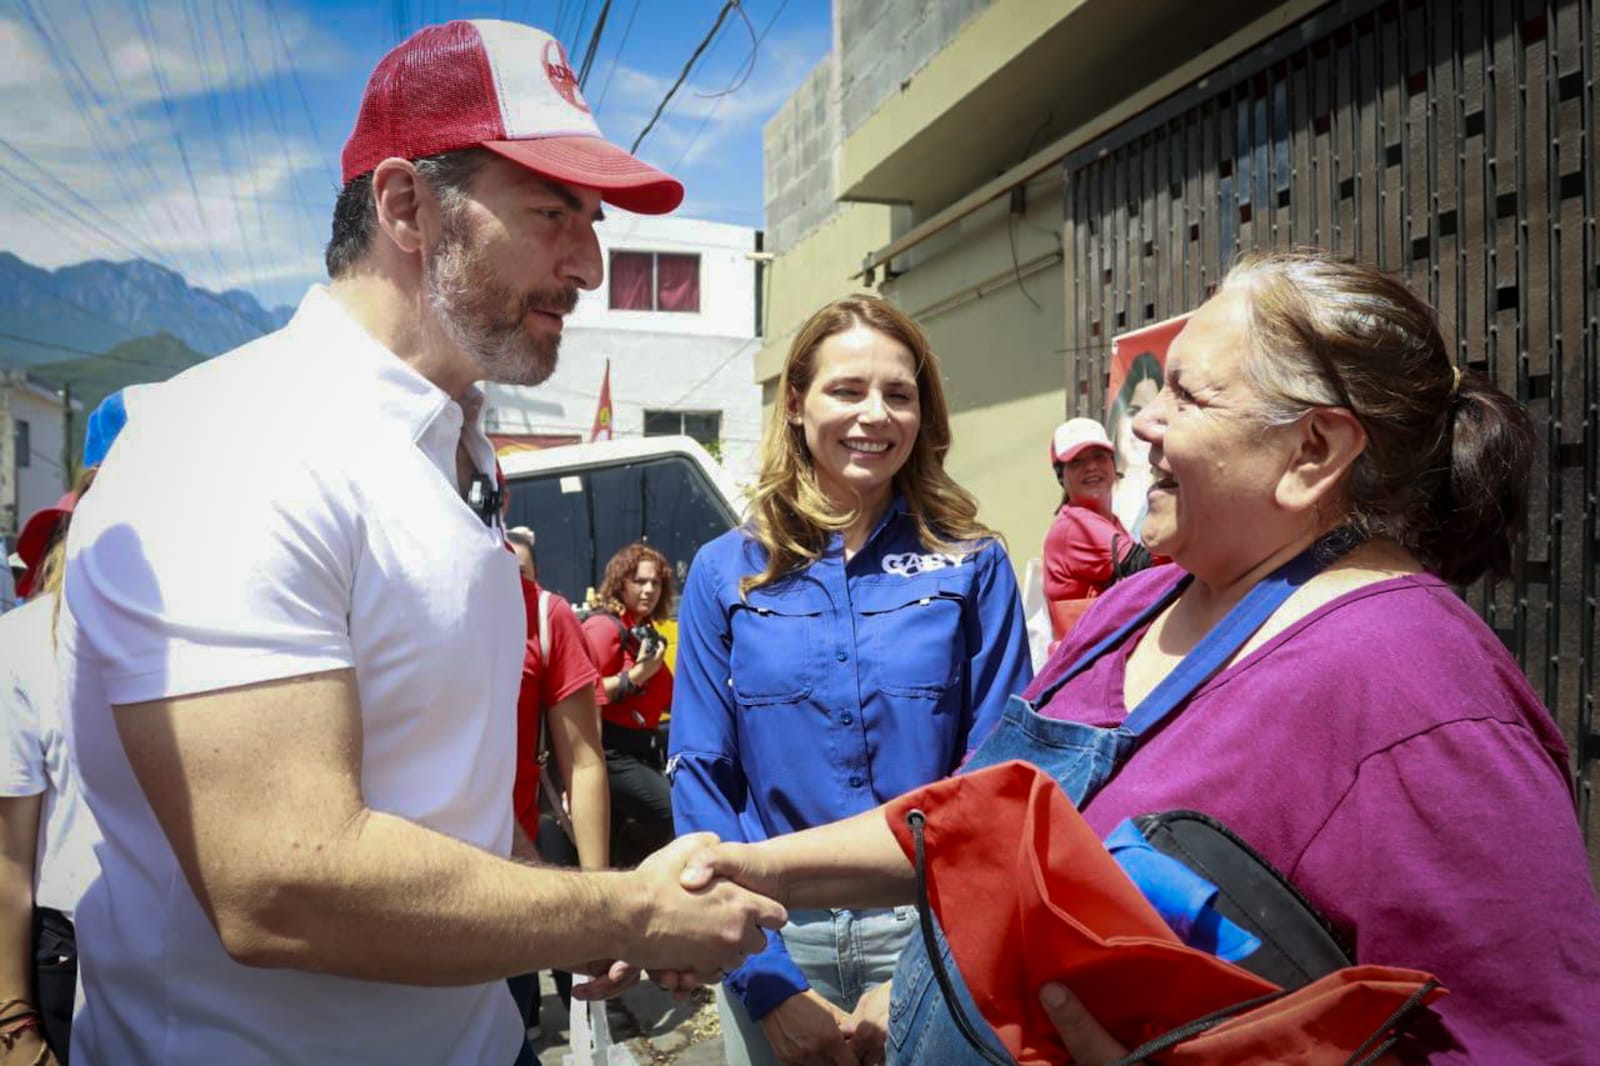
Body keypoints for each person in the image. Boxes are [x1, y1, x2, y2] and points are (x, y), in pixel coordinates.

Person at [57, 20, 784, 1066]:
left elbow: (441, 804)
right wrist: (621, 908)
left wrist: (572, 909)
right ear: (404, 204)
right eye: (552, 213)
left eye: (591, 219)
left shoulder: (448, 454)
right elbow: (281, 883)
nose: (587, 261)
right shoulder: (236, 440)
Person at [676, 252, 1600, 1063]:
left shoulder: (1423, 696)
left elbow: (1524, 1041)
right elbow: (969, 818)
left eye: (1188, 396)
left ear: (1313, 450)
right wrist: (741, 872)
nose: (1141, 422)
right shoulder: (1138, 602)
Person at [669, 295, 1035, 1066]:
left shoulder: (974, 564)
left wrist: (923, 967)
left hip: (931, 933)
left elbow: (996, 781)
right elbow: (702, 776)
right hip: (768, 934)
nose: (875, 415)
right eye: (847, 390)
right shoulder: (723, 571)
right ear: (796, 404)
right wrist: (765, 983)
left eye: (898, 394)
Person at [0, 473, 104, 1066]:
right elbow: (10, 857)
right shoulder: (25, 644)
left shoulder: (216, 637)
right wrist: (14, 1022)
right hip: (72, 953)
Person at [501, 526, 608, 1047]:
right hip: (393, 899)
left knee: (509, 1031)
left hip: (510, 887)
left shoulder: (543, 613)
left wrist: (598, 907)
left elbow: (585, 763)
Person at [582, 542, 676, 867]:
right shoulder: (603, 628)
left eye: (656, 583)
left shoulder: (644, 630)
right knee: (675, 813)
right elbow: (582, 693)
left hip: (644, 750)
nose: (649, 589)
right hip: (611, 753)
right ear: (622, 581)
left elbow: (670, 697)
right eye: (640, 581)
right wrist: (634, 676)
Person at [1040, 418, 1158, 644]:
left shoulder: (1107, 521)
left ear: (1114, 465)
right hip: (1087, 664)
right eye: (1076, 462)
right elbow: (1145, 569)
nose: (1091, 466)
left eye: (1099, 456)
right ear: (1060, 477)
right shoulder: (1076, 525)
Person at [1107, 352, 1162, 531]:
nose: (1140, 426)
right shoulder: (1096, 497)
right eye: (1133, 411)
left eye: (1153, 413)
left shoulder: (1179, 500)